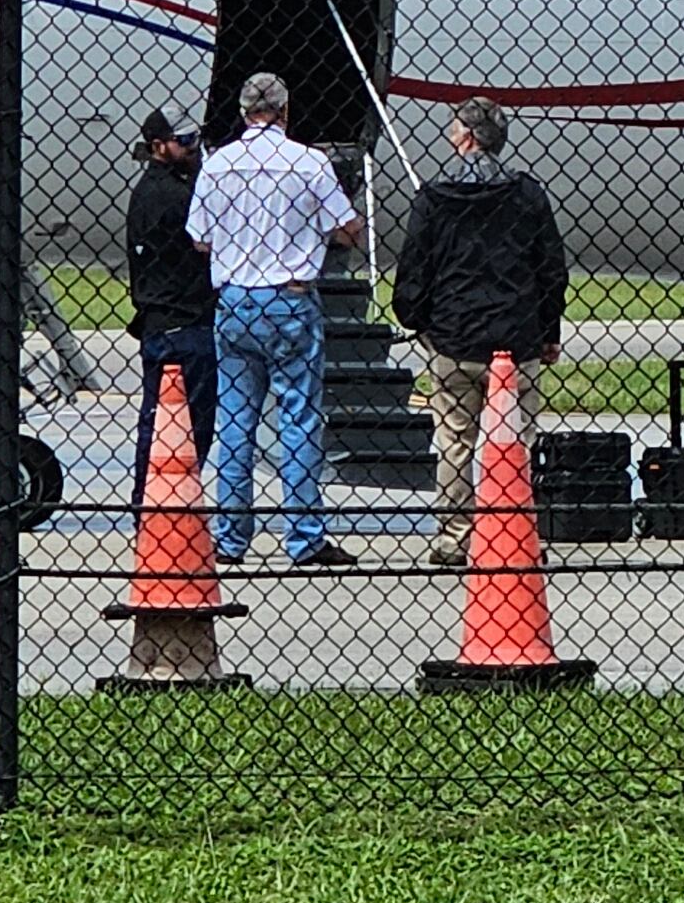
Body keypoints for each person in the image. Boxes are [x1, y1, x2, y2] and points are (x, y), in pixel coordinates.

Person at [184, 70, 365, 568]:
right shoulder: (309, 163)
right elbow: (348, 230)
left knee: (236, 421)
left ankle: (230, 536)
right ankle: (305, 536)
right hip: (289, 296)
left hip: (235, 298)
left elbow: (200, 238)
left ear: (243, 112)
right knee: (299, 417)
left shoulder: (218, 164)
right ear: (286, 111)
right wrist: (309, 231)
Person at [386, 94, 571, 565]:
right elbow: (551, 267)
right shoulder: (527, 194)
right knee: (516, 442)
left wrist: (419, 319)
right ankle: (514, 531)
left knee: (454, 438)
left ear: (466, 138)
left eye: (453, 129)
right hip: (516, 335)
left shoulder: (435, 196)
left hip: (455, 335)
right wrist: (548, 328)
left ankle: (455, 535)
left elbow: (415, 266)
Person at [121, 107, 216, 484]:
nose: (196, 149)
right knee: (192, 423)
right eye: (186, 141)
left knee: (159, 421)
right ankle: (172, 498)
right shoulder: (177, 197)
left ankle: (150, 501)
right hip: (186, 320)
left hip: (160, 322)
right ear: (159, 147)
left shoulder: (148, 191)